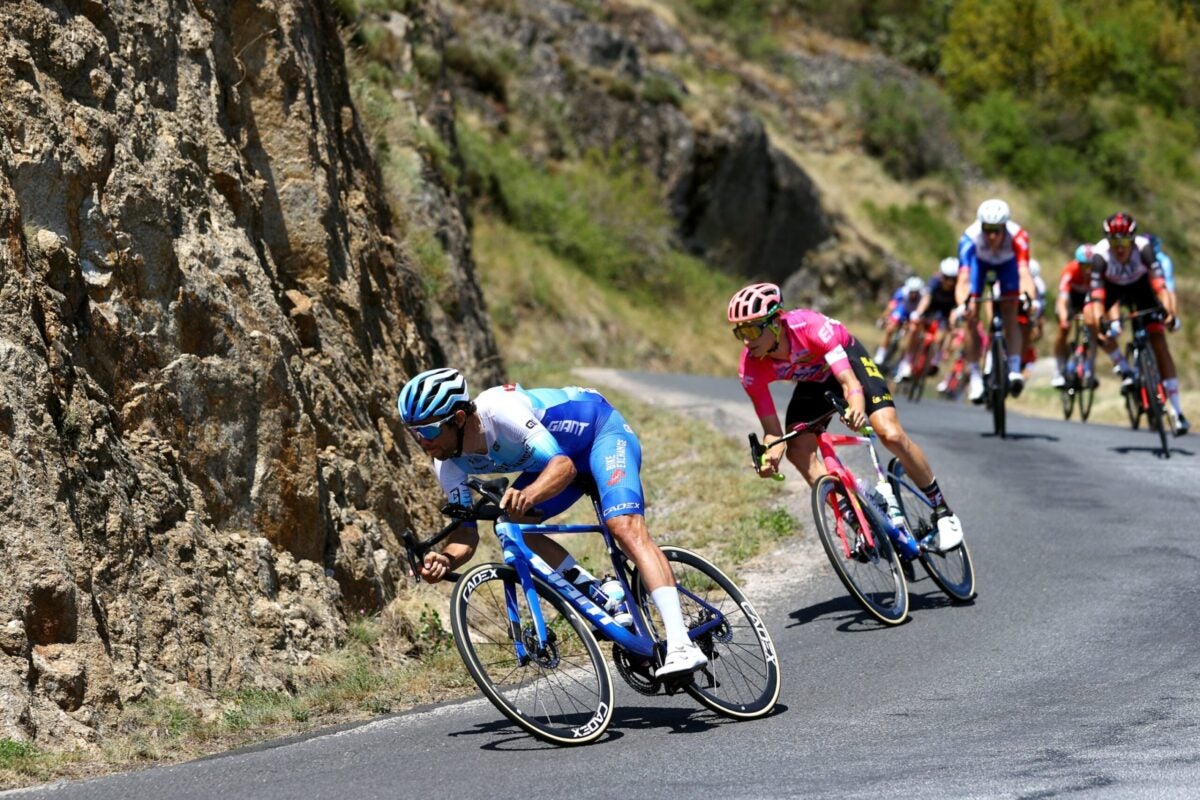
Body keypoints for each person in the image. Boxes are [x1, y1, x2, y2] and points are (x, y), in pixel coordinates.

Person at [397, 367, 710, 676]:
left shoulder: (501, 413)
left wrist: (530, 495)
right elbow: (466, 535)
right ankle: (605, 596)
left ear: (460, 418)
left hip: (600, 434)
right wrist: (446, 560)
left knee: (624, 528)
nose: (422, 441)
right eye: (413, 433)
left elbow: (562, 467)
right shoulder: (448, 465)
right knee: (512, 525)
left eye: (428, 431)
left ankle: (682, 644)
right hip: (558, 460)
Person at [728, 283, 964, 549]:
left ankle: (942, 510)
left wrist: (856, 409)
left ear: (774, 323)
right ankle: (857, 520)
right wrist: (770, 457)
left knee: (890, 433)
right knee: (798, 450)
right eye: (740, 332)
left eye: (750, 329)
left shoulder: (809, 326)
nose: (746, 341)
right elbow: (772, 433)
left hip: (847, 363)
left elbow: (850, 383)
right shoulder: (750, 366)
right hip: (815, 382)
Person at [1084, 213, 1188, 435]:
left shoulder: (1144, 249)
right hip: (1113, 289)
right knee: (1089, 318)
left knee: (1159, 341)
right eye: (1114, 241)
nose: (1119, 248)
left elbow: (1161, 287)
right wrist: (1101, 322)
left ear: (1132, 239)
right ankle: (1122, 365)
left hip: (1141, 288)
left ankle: (1177, 412)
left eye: (1123, 241)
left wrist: (1169, 313)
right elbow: (1097, 300)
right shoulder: (1100, 256)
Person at [954, 199, 1038, 402]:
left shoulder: (1018, 237)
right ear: (980, 226)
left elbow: (1025, 273)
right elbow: (963, 279)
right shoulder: (969, 238)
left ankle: (1015, 369)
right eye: (987, 229)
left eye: (997, 230)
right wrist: (963, 304)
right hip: (979, 265)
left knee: (1011, 311)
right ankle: (975, 376)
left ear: (1005, 227)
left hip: (1007, 265)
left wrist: (1029, 300)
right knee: (971, 316)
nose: (991, 236)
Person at [895, 258, 960, 382]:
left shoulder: (958, 288)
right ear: (942, 275)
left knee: (942, 335)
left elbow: (954, 309)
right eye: (947, 278)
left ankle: (935, 359)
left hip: (946, 312)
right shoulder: (934, 282)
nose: (950, 282)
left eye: (953, 279)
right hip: (930, 309)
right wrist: (918, 313)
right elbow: (926, 299)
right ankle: (906, 362)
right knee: (914, 329)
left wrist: (952, 323)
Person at [1051, 245, 1096, 389]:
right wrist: (1064, 319)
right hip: (1071, 298)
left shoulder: (1099, 273)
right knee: (1063, 330)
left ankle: (1089, 369)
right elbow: (1062, 299)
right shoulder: (1070, 270)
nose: (1088, 270)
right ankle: (1058, 371)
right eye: (1084, 265)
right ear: (1078, 263)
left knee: (1094, 330)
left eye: (1091, 265)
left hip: (1088, 299)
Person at [874, 276, 926, 375]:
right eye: (912, 292)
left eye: (916, 292)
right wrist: (884, 318)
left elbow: (923, 310)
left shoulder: (923, 296)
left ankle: (905, 362)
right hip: (902, 310)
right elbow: (891, 306)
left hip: (914, 312)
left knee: (913, 331)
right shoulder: (902, 292)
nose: (913, 294)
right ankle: (880, 356)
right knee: (890, 328)